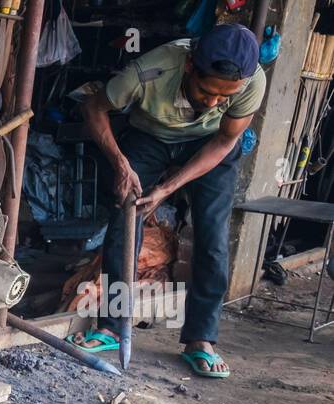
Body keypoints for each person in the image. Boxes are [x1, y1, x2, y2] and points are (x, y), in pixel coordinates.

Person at [70, 22, 266, 378]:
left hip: (210, 144)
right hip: (150, 134)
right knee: (125, 221)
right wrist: (121, 163)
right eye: (207, 92)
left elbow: (225, 141)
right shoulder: (148, 71)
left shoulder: (252, 82)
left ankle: (201, 339)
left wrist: (167, 189)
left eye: (226, 97)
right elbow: (94, 108)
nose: (214, 102)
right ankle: (113, 326)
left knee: (213, 238)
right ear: (190, 65)